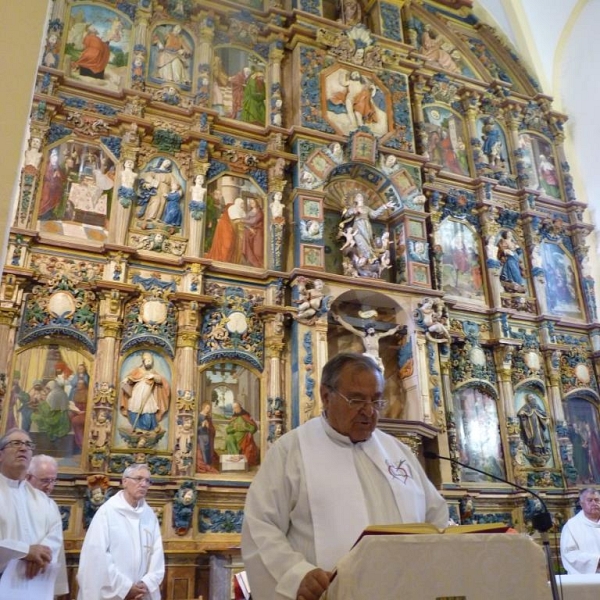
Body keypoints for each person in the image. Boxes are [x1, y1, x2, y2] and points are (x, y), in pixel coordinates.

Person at [241, 353, 448, 600]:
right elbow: (261, 524)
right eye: (357, 400)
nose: (369, 412)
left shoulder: (397, 451)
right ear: (326, 397)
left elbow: (435, 515)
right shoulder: (291, 451)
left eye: (376, 400)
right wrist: (296, 575)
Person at [77, 463, 165, 600]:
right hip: (113, 593)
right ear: (124, 481)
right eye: (139, 479)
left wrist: (146, 583)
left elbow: (157, 554)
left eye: (148, 480)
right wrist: (125, 587)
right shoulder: (107, 512)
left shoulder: (149, 515)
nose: (144, 484)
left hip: (142, 593)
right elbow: (97, 556)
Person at [0, 429, 64, 594]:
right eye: (16, 443)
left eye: (28, 445)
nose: (23, 448)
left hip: (32, 586)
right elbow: (28, 551)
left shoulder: (45, 502)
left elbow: (54, 535)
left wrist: (39, 557)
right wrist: (25, 551)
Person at [27, 454, 69, 598]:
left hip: (42, 569)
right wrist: (28, 553)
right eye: (45, 481)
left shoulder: (51, 505)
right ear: (28, 477)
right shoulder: (17, 499)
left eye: (53, 480)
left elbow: (55, 536)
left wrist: (41, 555)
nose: (50, 486)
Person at [331, 311, 402, 371]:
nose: (372, 330)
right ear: (367, 330)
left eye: (373, 329)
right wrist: (340, 320)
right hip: (370, 356)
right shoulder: (364, 336)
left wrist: (396, 329)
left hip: (377, 357)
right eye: (370, 329)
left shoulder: (377, 336)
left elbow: (389, 332)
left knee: (381, 370)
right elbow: (351, 328)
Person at [120, 352, 170, 431]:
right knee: (134, 407)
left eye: (151, 361)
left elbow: (161, 380)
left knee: (149, 408)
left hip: (148, 394)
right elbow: (130, 377)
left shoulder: (152, 372)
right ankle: (137, 426)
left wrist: (153, 376)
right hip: (137, 393)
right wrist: (126, 379)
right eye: (148, 361)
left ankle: (152, 425)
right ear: (143, 361)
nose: (149, 363)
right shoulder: (138, 370)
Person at [560, 488, 600, 573]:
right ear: (581, 504)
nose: (594, 503)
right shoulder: (571, 526)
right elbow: (570, 555)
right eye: (590, 500)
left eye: (597, 500)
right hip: (587, 579)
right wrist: (596, 561)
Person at [225, 402, 259, 466]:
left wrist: (245, 428)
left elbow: (253, 428)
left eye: (236, 407)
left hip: (243, 436)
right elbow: (227, 430)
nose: (235, 409)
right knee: (229, 438)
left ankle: (236, 457)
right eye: (234, 408)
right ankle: (236, 456)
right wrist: (234, 429)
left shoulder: (246, 416)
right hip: (234, 436)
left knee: (231, 439)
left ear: (240, 407)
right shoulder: (234, 417)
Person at [39, 149, 67, 221]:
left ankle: (48, 214)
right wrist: (54, 176)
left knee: (52, 202)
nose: (54, 159)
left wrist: (58, 175)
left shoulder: (57, 166)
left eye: (55, 157)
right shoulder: (47, 165)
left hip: (55, 189)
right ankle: (42, 215)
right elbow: (46, 176)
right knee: (45, 201)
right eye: (53, 156)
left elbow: (63, 177)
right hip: (47, 188)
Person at [242, 197, 264, 267]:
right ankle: (251, 261)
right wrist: (249, 228)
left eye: (253, 202)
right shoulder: (249, 213)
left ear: (256, 203)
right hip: (250, 231)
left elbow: (254, 221)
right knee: (245, 235)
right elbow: (245, 224)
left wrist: (243, 220)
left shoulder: (259, 212)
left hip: (258, 231)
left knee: (258, 251)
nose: (252, 204)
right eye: (251, 203)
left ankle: (259, 264)